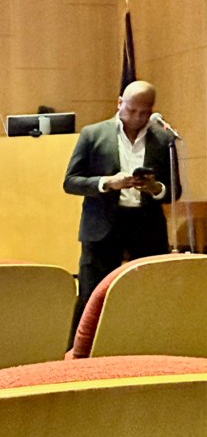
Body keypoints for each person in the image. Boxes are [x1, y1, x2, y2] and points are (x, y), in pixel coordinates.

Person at [63, 80, 181, 345]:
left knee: (151, 292)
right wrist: (107, 183)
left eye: (144, 112)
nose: (138, 117)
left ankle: (151, 348)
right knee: (92, 295)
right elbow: (70, 181)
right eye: (132, 110)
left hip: (146, 225)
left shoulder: (164, 139)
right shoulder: (93, 134)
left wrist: (155, 187)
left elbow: (174, 191)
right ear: (119, 104)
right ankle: (79, 356)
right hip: (103, 225)